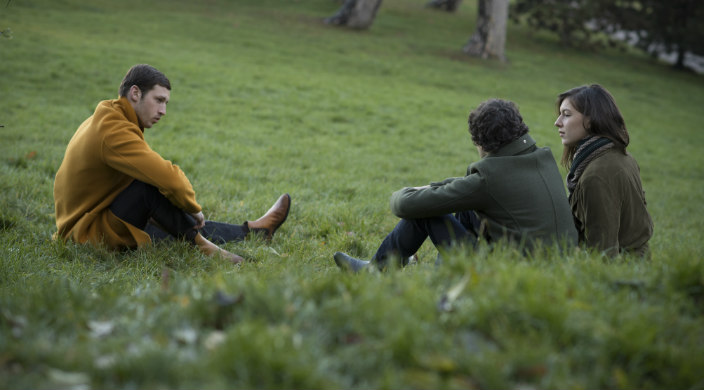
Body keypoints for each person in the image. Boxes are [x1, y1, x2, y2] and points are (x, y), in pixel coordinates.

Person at [53, 64, 291, 264]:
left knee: (171, 227)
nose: (163, 111)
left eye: (166, 103)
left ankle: (254, 232)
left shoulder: (111, 116)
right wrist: (192, 208)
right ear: (135, 93)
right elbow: (169, 178)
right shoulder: (112, 130)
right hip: (86, 233)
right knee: (149, 189)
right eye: (159, 100)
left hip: (97, 220)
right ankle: (207, 248)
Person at [333, 98, 578, 272]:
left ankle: (376, 271)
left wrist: (418, 192)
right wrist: (440, 188)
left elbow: (404, 206)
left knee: (426, 214)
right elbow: (470, 189)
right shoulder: (542, 159)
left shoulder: (490, 177)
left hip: (511, 273)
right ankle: (442, 272)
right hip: (553, 268)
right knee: (466, 206)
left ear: (481, 143)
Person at [555, 84, 653, 257]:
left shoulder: (597, 176)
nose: (557, 122)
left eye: (567, 115)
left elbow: (603, 253)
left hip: (624, 273)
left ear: (591, 120)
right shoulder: (620, 155)